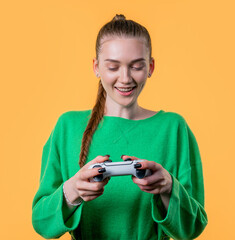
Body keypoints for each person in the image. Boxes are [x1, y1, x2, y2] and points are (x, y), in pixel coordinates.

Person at [32, 14, 208, 240]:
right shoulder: (67, 127)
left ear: (151, 67)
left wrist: (168, 186)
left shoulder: (174, 128)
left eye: (136, 66)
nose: (125, 78)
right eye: (113, 67)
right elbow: (42, 223)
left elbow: (192, 228)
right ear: (96, 67)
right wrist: (73, 190)